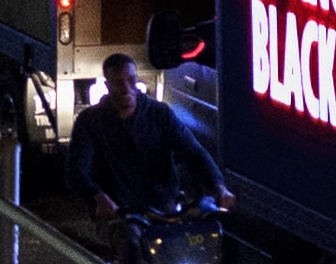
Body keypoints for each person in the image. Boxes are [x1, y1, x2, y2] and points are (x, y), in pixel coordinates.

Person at [65, 53, 223, 221]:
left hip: (163, 207)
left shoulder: (159, 113)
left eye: (131, 81)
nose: (127, 89)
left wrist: (218, 185)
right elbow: (77, 171)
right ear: (108, 86)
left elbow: (193, 152)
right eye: (119, 83)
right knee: (131, 240)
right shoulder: (90, 121)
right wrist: (97, 196)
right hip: (118, 212)